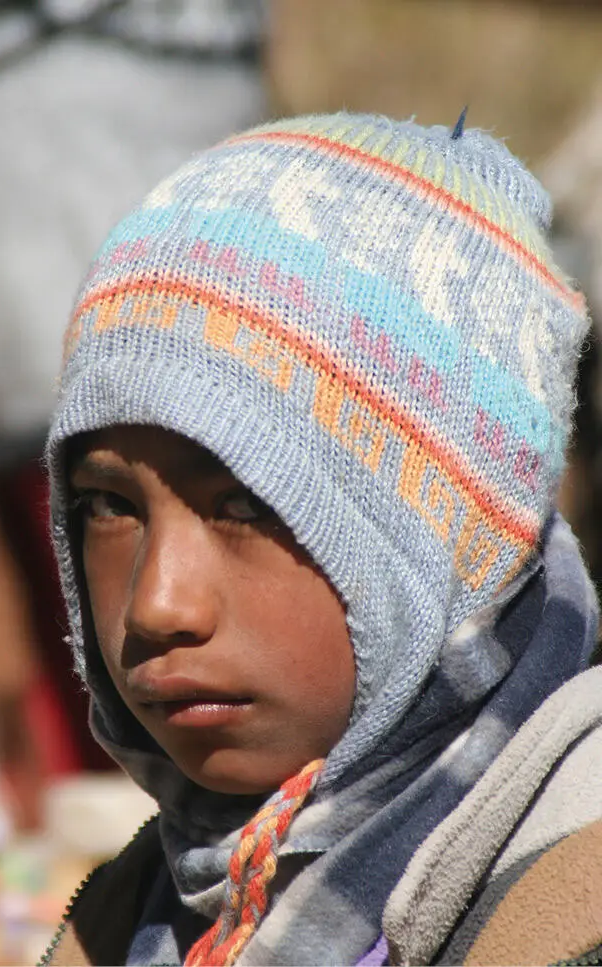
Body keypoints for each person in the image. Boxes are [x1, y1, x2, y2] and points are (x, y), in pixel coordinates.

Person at [41, 111, 602, 966]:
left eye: (245, 501)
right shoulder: (136, 914)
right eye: (107, 506)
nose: (158, 604)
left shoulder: (570, 893)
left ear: (447, 533)